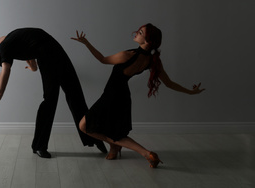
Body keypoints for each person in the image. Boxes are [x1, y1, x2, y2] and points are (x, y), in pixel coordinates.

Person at [71, 23, 205, 168]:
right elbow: (169, 83)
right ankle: (116, 147)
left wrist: (86, 43)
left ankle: (146, 153)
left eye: (140, 32)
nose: (136, 33)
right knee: (114, 132)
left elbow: (102, 59)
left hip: (111, 96)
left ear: (147, 41)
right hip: (123, 97)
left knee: (84, 126)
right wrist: (191, 92)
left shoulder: (127, 55)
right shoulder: (152, 62)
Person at [0, 28, 107, 158]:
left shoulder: (6, 41)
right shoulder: (4, 46)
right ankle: (39, 145)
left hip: (57, 52)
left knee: (76, 96)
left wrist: (32, 67)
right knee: (50, 100)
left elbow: (28, 49)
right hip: (47, 55)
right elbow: (6, 69)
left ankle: (94, 137)